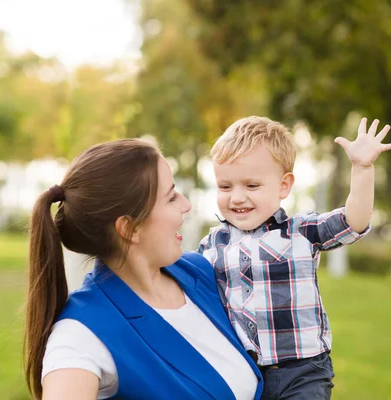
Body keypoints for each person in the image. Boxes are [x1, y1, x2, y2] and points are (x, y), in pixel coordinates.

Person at [24, 139, 263, 400]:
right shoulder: (82, 333)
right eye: (171, 196)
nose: (186, 204)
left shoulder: (202, 272)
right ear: (130, 228)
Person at [198, 116, 391, 399]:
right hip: (244, 373)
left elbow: (354, 221)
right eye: (225, 187)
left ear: (284, 186)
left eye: (251, 186)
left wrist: (362, 168)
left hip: (303, 371)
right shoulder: (212, 244)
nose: (237, 198)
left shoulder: (300, 231)